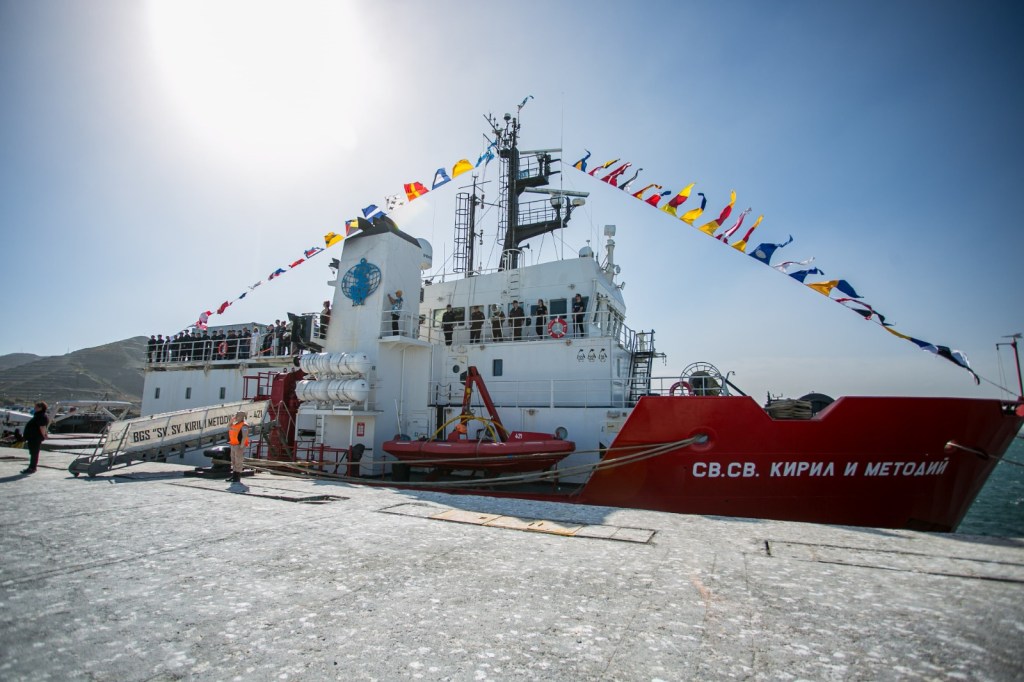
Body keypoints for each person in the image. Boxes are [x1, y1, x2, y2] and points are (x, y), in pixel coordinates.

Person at [21, 402, 49, 475]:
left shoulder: (41, 416)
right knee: (33, 452)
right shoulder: (38, 415)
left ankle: (32, 468)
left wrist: (44, 435)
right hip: (32, 437)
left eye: (36, 407)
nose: (34, 408)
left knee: (34, 453)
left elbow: (42, 427)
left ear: (41, 408)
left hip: (35, 438)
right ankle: (31, 467)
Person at [227, 411, 250, 484]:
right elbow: (228, 427)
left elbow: (244, 436)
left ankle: (237, 477)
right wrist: (231, 421)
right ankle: (234, 475)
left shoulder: (244, 425)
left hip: (239, 445)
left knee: (238, 461)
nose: (235, 417)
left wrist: (242, 445)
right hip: (233, 444)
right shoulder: (235, 424)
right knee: (233, 461)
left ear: (241, 417)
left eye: (237, 416)